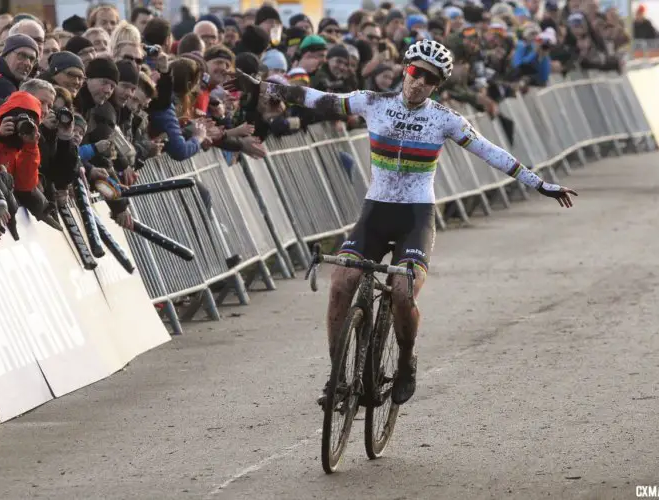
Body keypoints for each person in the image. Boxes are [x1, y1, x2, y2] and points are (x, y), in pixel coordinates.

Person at [228, 40, 578, 406]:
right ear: (404, 68)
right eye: (415, 72)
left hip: (416, 215)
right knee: (341, 283)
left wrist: (540, 184)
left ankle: (406, 360)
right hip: (376, 212)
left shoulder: (446, 119)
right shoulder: (372, 102)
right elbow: (317, 97)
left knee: (400, 290)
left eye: (429, 78)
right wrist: (262, 87)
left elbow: (491, 152)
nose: (419, 82)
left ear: (437, 85)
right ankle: (336, 377)